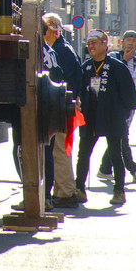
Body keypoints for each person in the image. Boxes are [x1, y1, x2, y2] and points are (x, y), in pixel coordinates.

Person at [74, 29, 136, 206]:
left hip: (112, 116)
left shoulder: (117, 67)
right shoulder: (85, 67)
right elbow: (79, 91)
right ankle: (79, 189)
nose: (90, 46)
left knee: (115, 154)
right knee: (83, 154)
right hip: (90, 116)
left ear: (105, 44)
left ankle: (119, 191)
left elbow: (129, 98)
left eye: (94, 42)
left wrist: (122, 114)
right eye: (88, 43)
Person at [42, 12, 83, 208]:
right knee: (61, 149)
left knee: (59, 150)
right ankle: (62, 190)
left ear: (51, 29)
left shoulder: (59, 50)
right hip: (65, 104)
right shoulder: (64, 48)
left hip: (61, 105)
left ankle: (66, 192)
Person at [99, 30, 136, 184]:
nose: (130, 43)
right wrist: (124, 61)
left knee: (117, 136)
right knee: (121, 136)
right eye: (128, 40)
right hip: (114, 104)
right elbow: (108, 76)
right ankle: (134, 169)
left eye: (133, 41)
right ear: (122, 42)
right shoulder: (113, 58)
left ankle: (105, 168)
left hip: (128, 106)